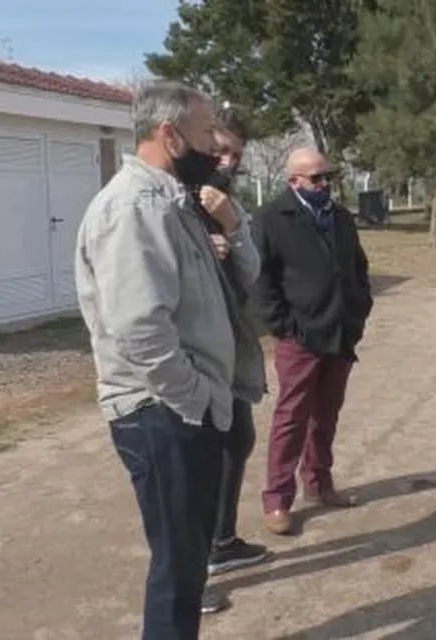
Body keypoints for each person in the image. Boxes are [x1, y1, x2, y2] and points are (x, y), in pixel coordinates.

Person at [75, 80, 233, 640]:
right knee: (176, 565)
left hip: (180, 409)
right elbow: (141, 330)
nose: (215, 145)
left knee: (187, 559)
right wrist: (196, 400)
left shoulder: (171, 199)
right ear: (168, 134)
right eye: (204, 132)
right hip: (162, 412)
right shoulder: (133, 208)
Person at [253, 147, 373, 535]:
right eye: (316, 179)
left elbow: (358, 265)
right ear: (294, 181)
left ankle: (319, 484)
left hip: (340, 331)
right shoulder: (271, 219)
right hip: (299, 337)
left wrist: (358, 309)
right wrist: (282, 326)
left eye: (328, 177)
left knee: (327, 414)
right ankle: (277, 499)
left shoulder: (339, 217)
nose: (325, 185)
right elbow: (260, 280)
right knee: (292, 417)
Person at [192, 109, 269, 614]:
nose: (228, 163)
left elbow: (251, 273)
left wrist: (231, 228)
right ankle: (189, 576)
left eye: (236, 157)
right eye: (219, 152)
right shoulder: (175, 200)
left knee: (238, 439)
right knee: (193, 468)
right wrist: (205, 243)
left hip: (230, 349)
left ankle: (221, 542)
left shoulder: (226, 204)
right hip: (192, 359)